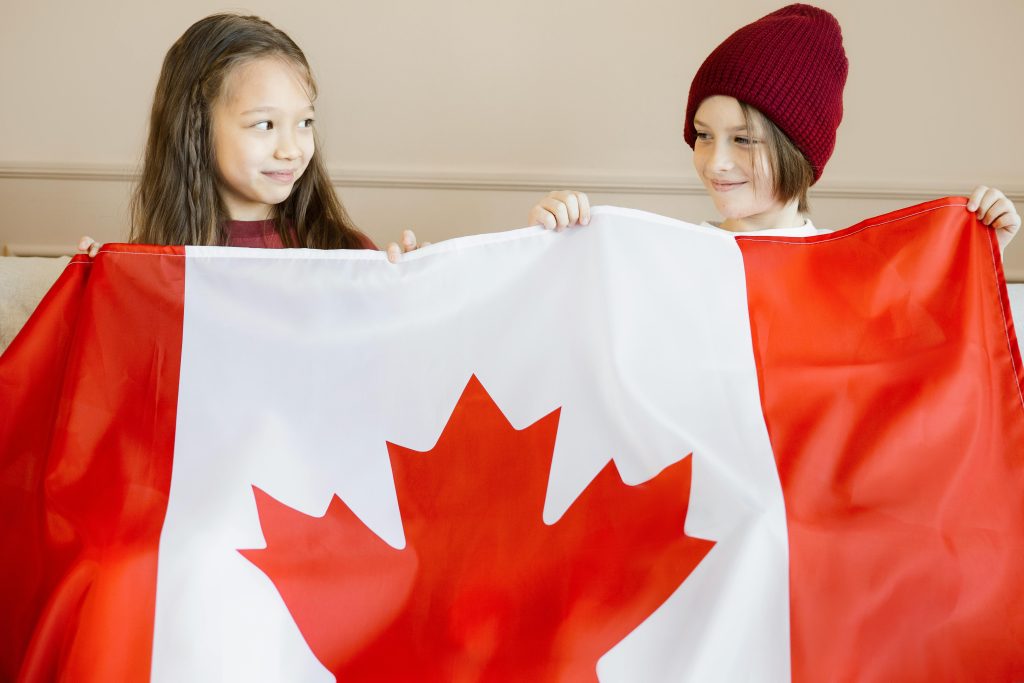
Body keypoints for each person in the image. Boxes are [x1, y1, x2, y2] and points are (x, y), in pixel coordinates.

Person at [527, 4, 1020, 250]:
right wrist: (550, 247)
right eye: (703, 134)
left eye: (743, 139)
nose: (716, 161)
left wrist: (976, 261)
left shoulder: (849, 275)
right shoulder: (669, 259)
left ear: (799, 152)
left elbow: (919, 372)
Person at [78, 13, 422, 262]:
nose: (290, 150)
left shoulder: (346, 251)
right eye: (264, 125)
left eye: (304, 122)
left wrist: (414, 289)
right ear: (196, 128)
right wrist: (99, 284)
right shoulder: (151, 265)